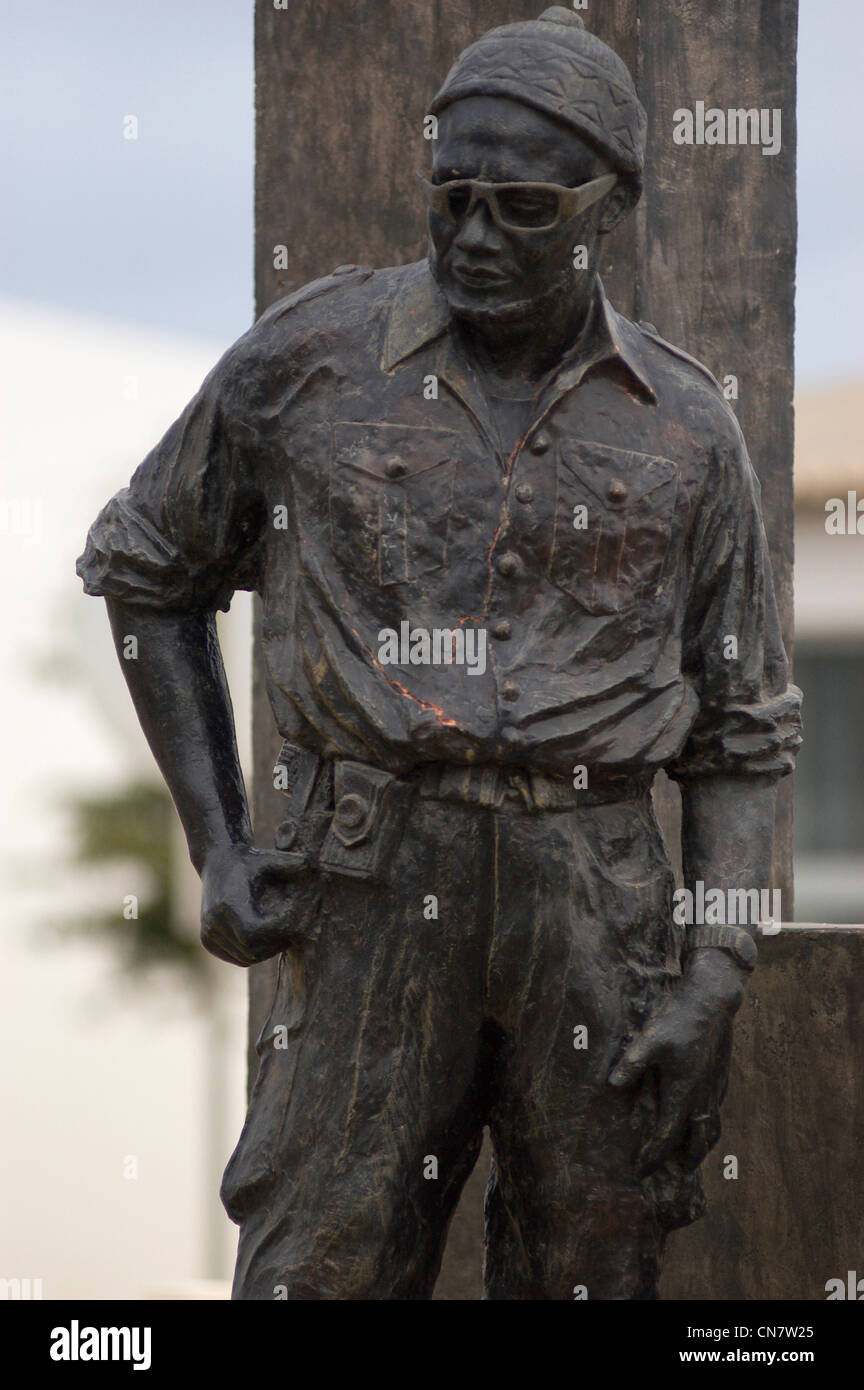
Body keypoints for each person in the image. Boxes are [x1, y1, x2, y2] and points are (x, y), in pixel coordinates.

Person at [77, 8, 801, 1299]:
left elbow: (743, 724)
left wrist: (718, 965)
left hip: (596, 900)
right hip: (368, 885)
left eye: (522, 206)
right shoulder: (307, 362)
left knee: (592, 1265)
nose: (474, 234)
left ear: (607, 207)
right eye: (451, 196)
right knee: (319, 1264)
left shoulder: (690, 432)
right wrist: (220, 845)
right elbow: (143, 572)